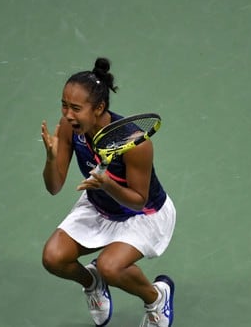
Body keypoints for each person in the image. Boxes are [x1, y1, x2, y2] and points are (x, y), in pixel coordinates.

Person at [40, 57, 177, 327]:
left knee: (111, 266)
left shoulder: (135, 142)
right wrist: (50, 158)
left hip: (143, 214)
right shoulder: (69, 128)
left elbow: (139, 202)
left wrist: (107, 184)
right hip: (100, 205)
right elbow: (54, 187)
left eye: (76, 108)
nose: (68, 114)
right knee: (53, 257)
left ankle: (156, 297)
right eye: (64, 105)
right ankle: (92, 282)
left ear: (99, 107)